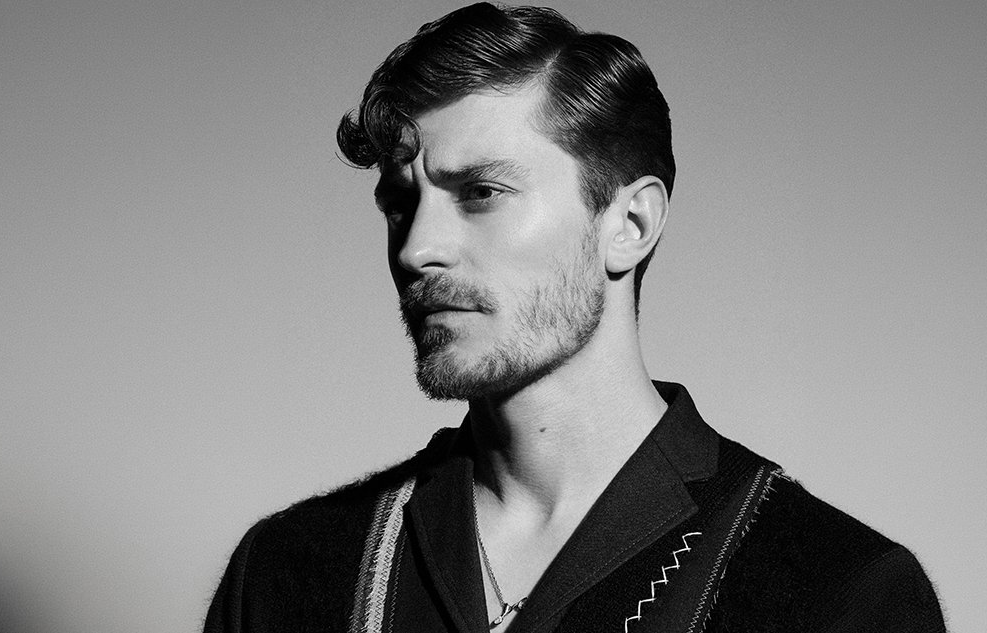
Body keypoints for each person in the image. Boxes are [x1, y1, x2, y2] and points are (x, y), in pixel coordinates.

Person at [204, 4, 946, 632]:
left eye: (481, 192)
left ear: (629, 224)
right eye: (401, 204)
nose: (417, 248)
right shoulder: (290, 576)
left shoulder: (836, 593)